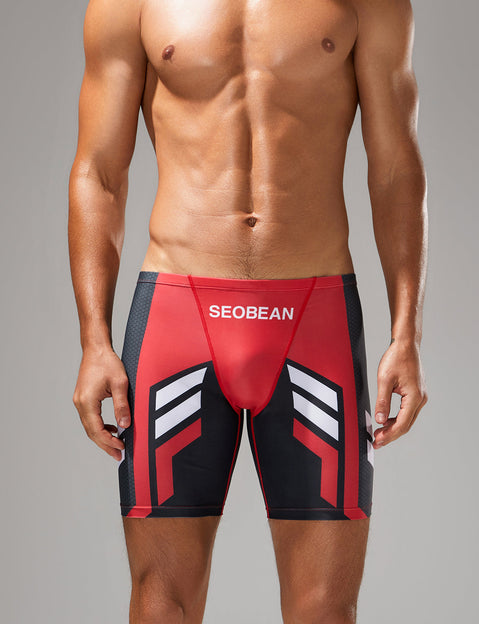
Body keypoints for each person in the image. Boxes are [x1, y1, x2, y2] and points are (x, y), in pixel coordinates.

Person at [68, 0, 428, 621]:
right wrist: (93, 339)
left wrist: (406, 333)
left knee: (325, 610)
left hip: (315, 320)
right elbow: (98, 172)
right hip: (178, 317)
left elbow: (395, 166)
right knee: (161, 602)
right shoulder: (130, 4)